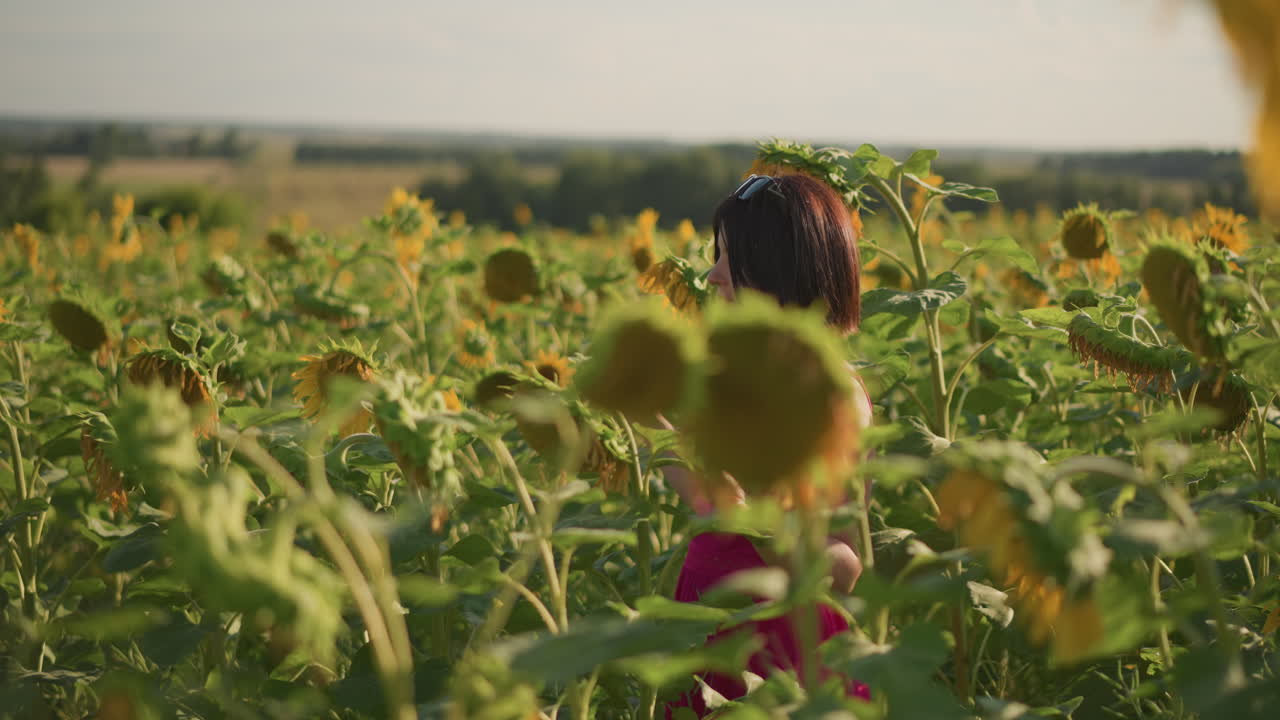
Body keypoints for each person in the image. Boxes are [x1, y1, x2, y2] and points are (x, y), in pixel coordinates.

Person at [661, 172, 872, 718]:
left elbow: (846, 563)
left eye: (733, 257)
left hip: (782, 668)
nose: (713, 275)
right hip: (716, 644)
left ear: (785, 269)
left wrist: (675, 456)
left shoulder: (830, 397)